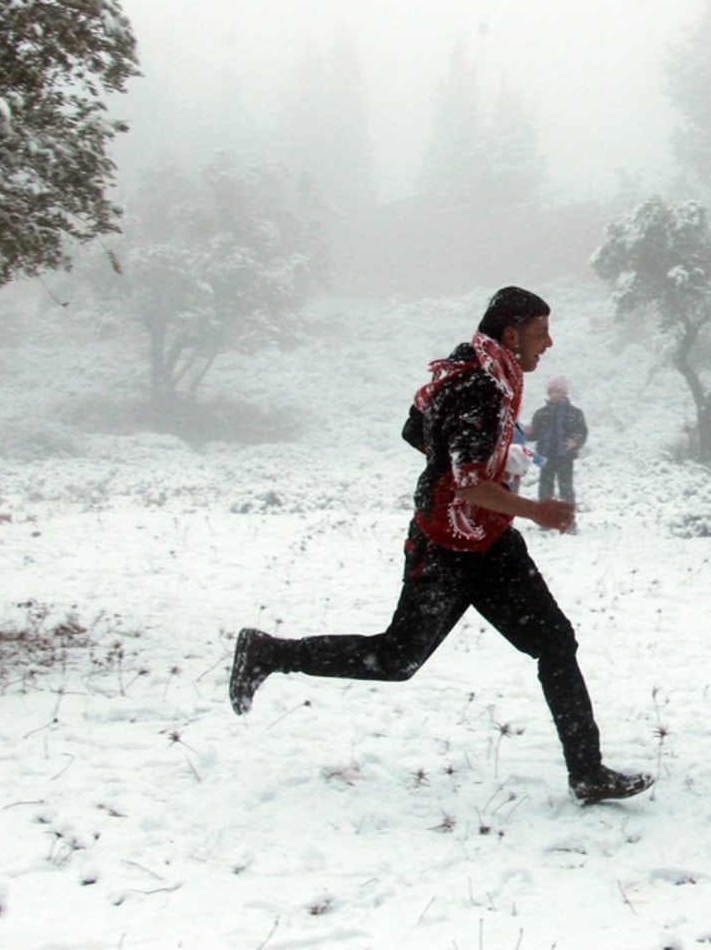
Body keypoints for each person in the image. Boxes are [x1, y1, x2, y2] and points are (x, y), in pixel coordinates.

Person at [227, 287, 652, 806]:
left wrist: (495, 456)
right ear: (511, 335)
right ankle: (269, 652)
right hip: (446, 549)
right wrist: (535, 507)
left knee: (556, 643)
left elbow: (416, 429)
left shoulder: (472, 370)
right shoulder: (479, 387)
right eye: (541, 333)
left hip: (491, 543)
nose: (549, 343)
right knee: (395, 660)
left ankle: (587, 772)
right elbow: (469, 482)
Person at [526, 375, 587, 505]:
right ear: (549, 393)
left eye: (559, 391)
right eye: (552, 391)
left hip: (565, 456)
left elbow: (581, 431)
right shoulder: (541, 413)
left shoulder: (574, 413)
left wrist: (575, 442)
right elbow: (534, 435)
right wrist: (528, 433)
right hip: (546, 456)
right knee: (545, 488)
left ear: (565, 393)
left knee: (566, 488)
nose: (555, 394)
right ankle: (545, 516)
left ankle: (567, 518)